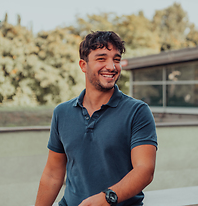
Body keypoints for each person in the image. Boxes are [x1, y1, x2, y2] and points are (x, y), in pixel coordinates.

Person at [35, 31, 157, 206]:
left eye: (116, 59)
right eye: (102, 59)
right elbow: (52, 174)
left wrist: (106, 198)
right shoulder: (62, 113)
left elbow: (144, 170)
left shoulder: (137, 111)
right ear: (83, 65)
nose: (112, 66)